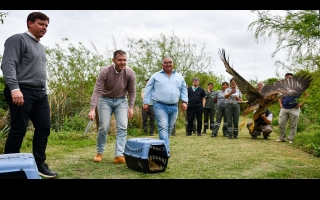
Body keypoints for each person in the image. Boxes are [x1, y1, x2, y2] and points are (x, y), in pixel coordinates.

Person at [0, 12, 58, 178]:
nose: (44, 28)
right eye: (41, 24)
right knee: (19, 129)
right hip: (21, 90)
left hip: (40, 93)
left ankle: (40, 164)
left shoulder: (40, 47)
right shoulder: (17, 39)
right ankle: (9, 169)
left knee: (44, 127)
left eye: (46, 25)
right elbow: (8, 64)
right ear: (29, 24)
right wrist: (14, 88)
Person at [88, 50, 136, 164]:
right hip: (105, 100)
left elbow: (132, 91)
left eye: (124, 60)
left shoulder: (130, 73)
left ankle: (119, 155)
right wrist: (92, 109)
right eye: (120, 60)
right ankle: (99, 153)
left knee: (123, 127)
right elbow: (97, 91)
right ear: (113, 60)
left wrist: (131, 107)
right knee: (104, 127)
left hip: (121, 101)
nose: (122, 62)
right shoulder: (105, 71)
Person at [143, 56, 188, 155]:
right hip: (159, 105)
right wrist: (146, 102)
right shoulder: (155, 76)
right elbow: (148, 89)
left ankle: (162, 146)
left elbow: (184, 89)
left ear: (173, 64)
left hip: (174, 106)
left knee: (169, 128)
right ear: (162, 64)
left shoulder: (179, 77)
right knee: (163, 127)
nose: (168, 64)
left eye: (170, 62)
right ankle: (165, 150)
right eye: (165, 62)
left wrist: (184, 101)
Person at [275, 73, 306, 144]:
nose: (287, 79)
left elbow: (306, 95)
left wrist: (301, 104)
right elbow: (279, 96)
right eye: (286, 78)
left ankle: (291, 139)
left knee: (293, 125)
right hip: (284, 108)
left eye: (289, 77)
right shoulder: (283, 87)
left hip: (294, 108)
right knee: (281, 123)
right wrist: (280, 104)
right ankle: (282, 138)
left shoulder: (298, 86)